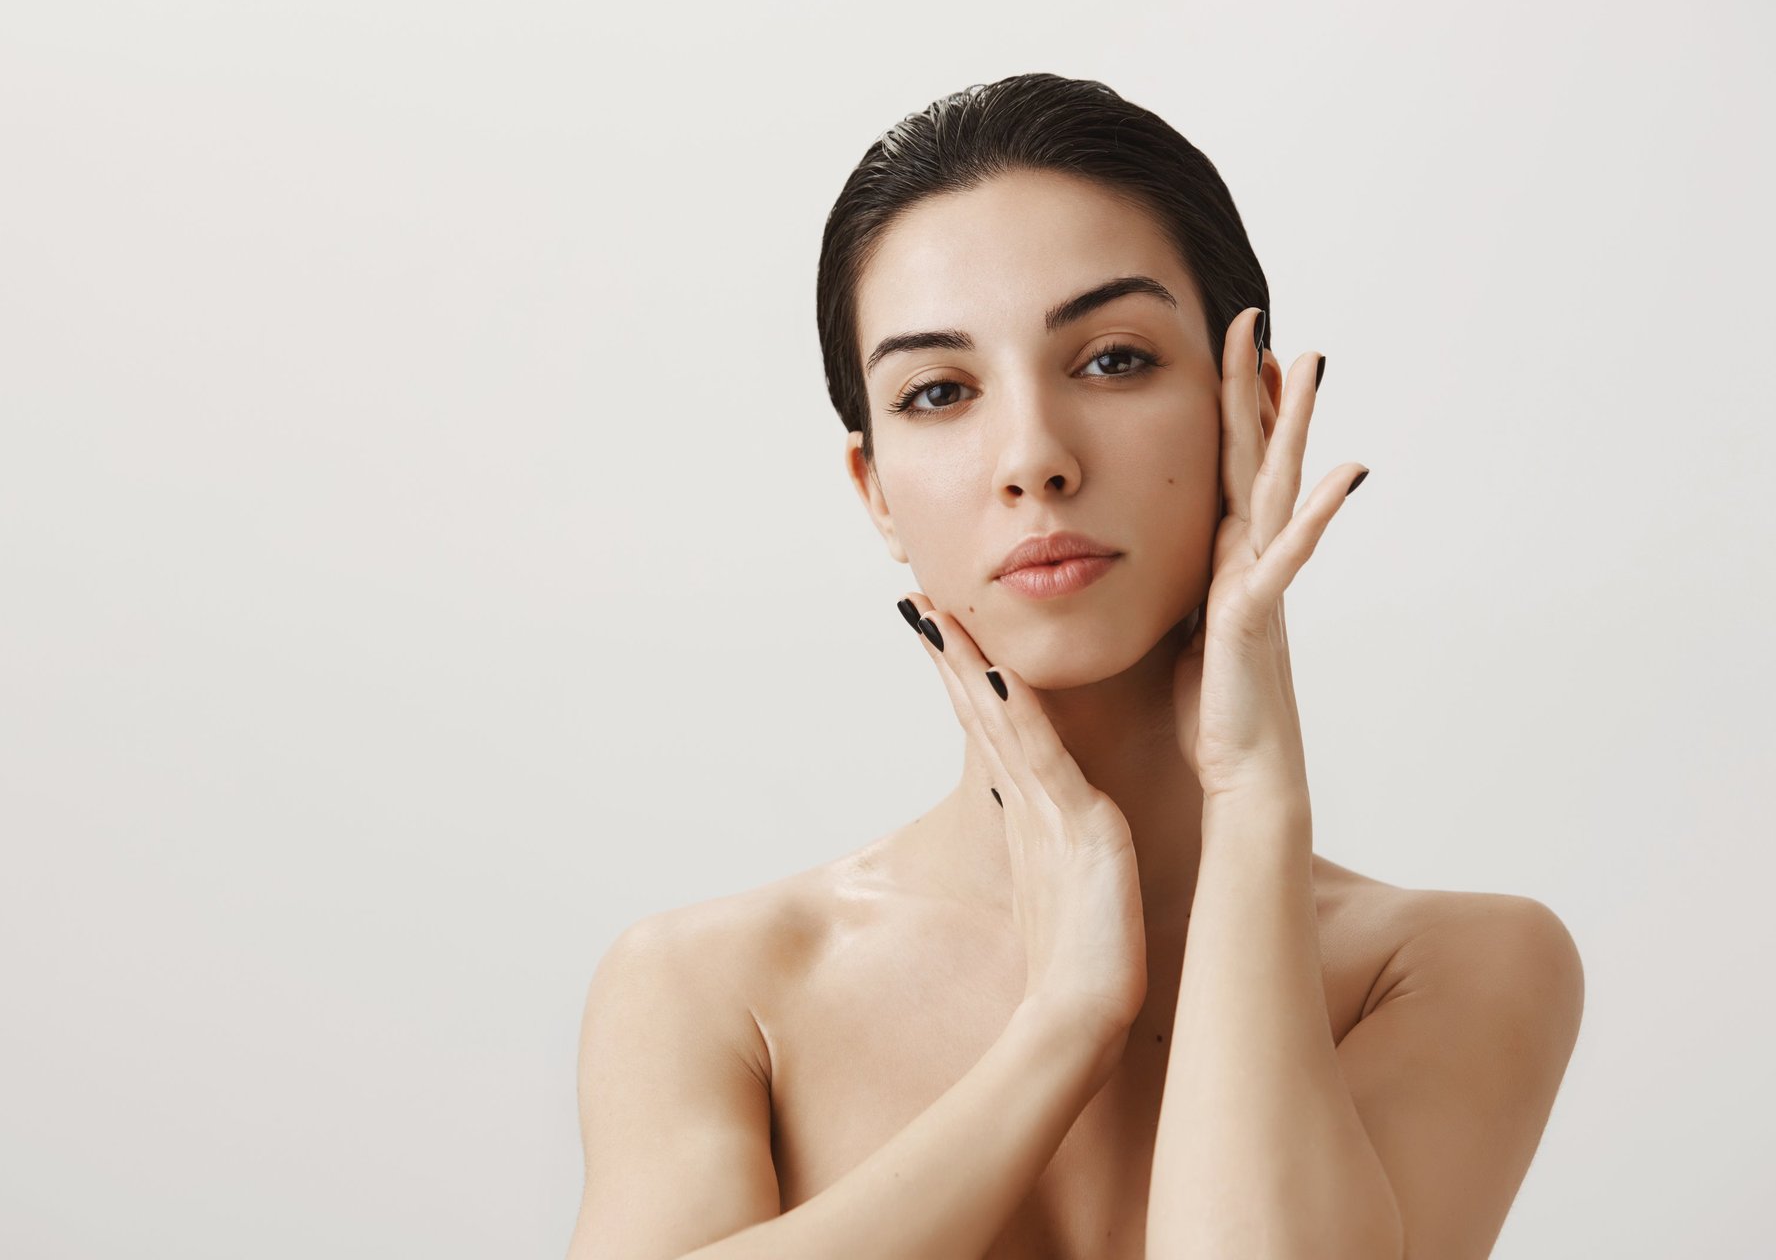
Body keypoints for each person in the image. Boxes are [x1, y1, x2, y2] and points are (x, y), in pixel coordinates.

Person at [566, 72, 1584, 1260]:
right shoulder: (712, 989)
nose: (1033, 457)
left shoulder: (1458, 967)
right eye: (939, 391)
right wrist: (1062, 1024)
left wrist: (1254, 795)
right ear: (877, 489)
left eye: (1111, 360)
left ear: (1252, 410)